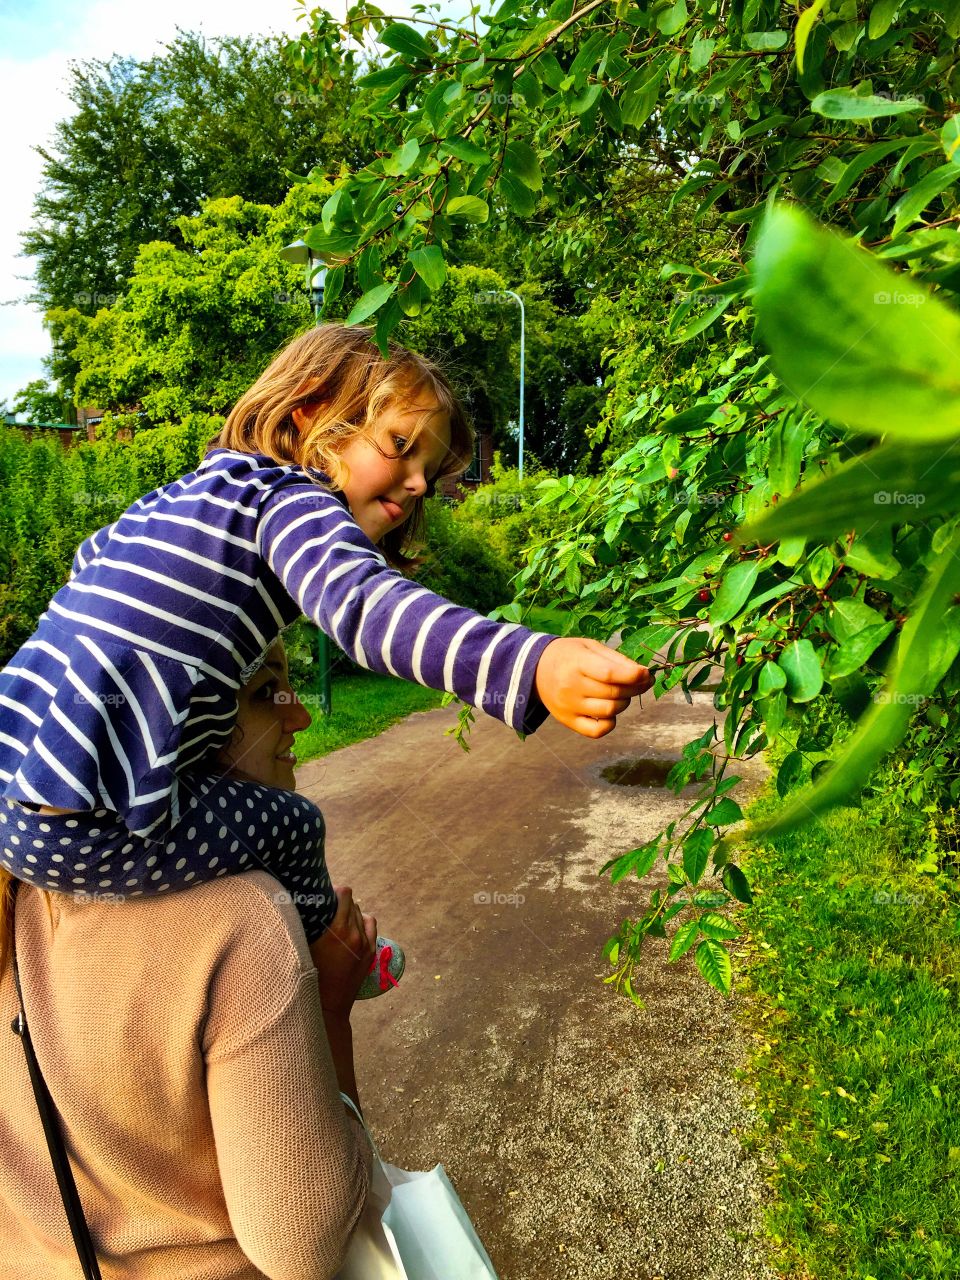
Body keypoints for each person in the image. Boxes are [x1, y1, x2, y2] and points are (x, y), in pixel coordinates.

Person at [0, 324, 653, 957]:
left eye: (428, 466)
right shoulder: (290, 496)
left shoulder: (182, 497)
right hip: (88, 822)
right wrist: (530, 661)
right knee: (293, 826)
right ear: (313, 415)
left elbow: (87, 568)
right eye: (400, 445)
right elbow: (365, 606)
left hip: (17, 780)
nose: (422, 482)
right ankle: (332, 951)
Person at [0, 638, 378, 1278]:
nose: (300, 715)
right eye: (264, 693)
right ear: (169, 730)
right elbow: (301, 1247)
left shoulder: (14, 894)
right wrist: (333, 1011)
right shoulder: (238, 917)